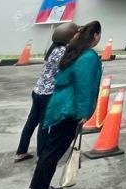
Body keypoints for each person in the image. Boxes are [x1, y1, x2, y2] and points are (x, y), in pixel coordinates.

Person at [28, 20, 103, 189]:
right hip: (70, 109)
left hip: (60, 106)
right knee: (53, 152)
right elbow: (85, 87)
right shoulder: (88, 57)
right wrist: (84, 112)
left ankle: (40, 186)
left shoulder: (73, 51)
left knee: (51, 149)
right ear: (95, 36)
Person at [15, 22, 78, 162]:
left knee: (32, 122)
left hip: (38, 90)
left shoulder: (53, 49)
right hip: (48, 94)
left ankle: (21, 151)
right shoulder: (63, 51)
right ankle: (42, 155)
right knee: (44, 124)